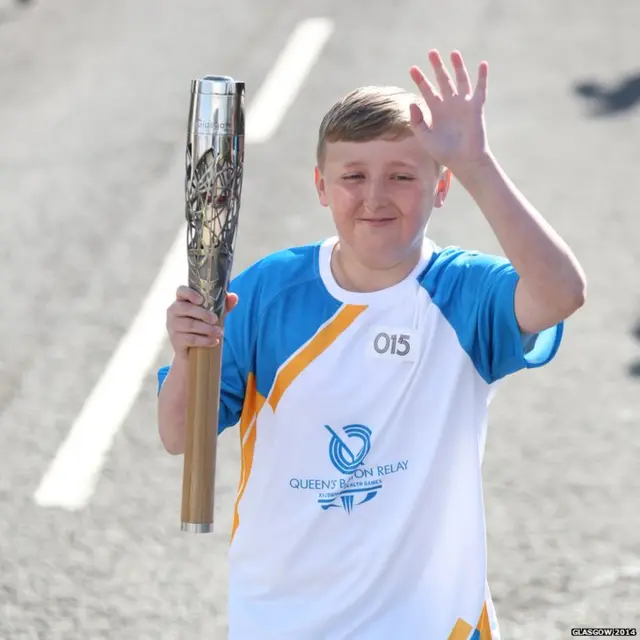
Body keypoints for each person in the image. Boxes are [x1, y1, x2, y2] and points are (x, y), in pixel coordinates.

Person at [157, 50, 586, 640]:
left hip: (433, 623)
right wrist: (188, 357)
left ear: (441, 187)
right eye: (353, 176)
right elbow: (182, 435)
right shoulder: (265, 291)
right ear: (321, 187)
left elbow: (561, 292)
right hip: (281, 618)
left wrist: (477, 162)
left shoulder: (463, 292)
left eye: (403, 176)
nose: (375, 196)